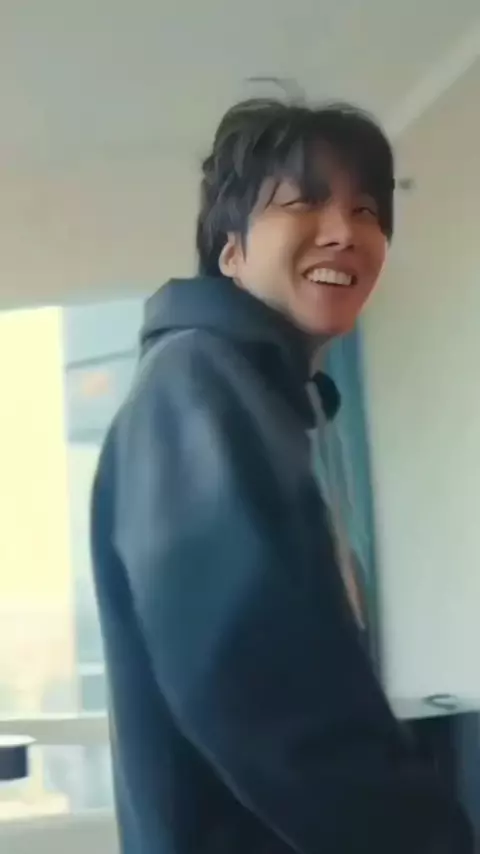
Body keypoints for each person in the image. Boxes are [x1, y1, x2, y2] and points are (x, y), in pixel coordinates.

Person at [91, 98, 473, 853]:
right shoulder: (196, 384)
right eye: (304, 202)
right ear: (230, 250)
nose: (344, 231)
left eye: (367, 211)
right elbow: (257, 686)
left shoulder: (275, 407)